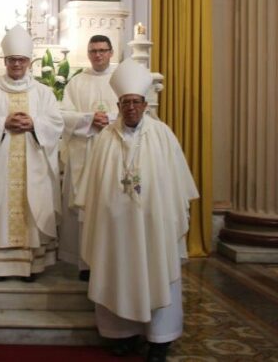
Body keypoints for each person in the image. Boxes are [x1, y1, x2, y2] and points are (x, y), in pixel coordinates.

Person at [76, 59, 199, 362]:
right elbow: (93, 186)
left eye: (136, 102)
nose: (130, 107)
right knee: (115, 271)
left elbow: (176, 184)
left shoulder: (162, 135)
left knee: (157, 271)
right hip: (114, 227)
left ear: (145, 104)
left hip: (154, 226)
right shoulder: (105, 138)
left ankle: (160, 339)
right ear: (118, 104)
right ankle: (121, 334)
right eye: (125, 102)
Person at [0, 25, 64, 281]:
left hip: (34, 164)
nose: (16, 64)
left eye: (20, 60)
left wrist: (34, 124)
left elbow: (55, 123)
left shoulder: (43, 92)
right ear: (5, 61)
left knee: (32, 207)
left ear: (29, 62)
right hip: (0, 165)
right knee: (0, 207)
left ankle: (30, 266)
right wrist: (3, 123)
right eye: (11, 60)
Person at [59, 35, 118, 279]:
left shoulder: (120, 79)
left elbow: (134, 108)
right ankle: (85, 263)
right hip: (84, 150)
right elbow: (63, 114)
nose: (98, 55)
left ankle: (110, 261)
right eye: (93, 50)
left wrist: (111, 119)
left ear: (111, 52)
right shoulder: (77, 82)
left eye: (102, 50)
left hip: (113, 151)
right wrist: (88, 119)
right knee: (83, 206)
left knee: (110, 204)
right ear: (88, 53)